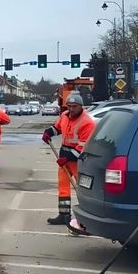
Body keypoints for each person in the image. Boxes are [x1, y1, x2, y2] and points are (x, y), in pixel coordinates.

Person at [42, 92, 96, 226]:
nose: (71, 109)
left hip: (79, 161)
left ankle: (88, 216)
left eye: (74, 106)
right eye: (69, 106)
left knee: (83, 188)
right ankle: (64, 215)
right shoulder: (65, 116)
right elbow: (58, 128)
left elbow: (83, 146)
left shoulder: (87, 122)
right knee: (63, 187)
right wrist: (48, 132)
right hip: (64, 157)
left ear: (81, 106)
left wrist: (68, 157)